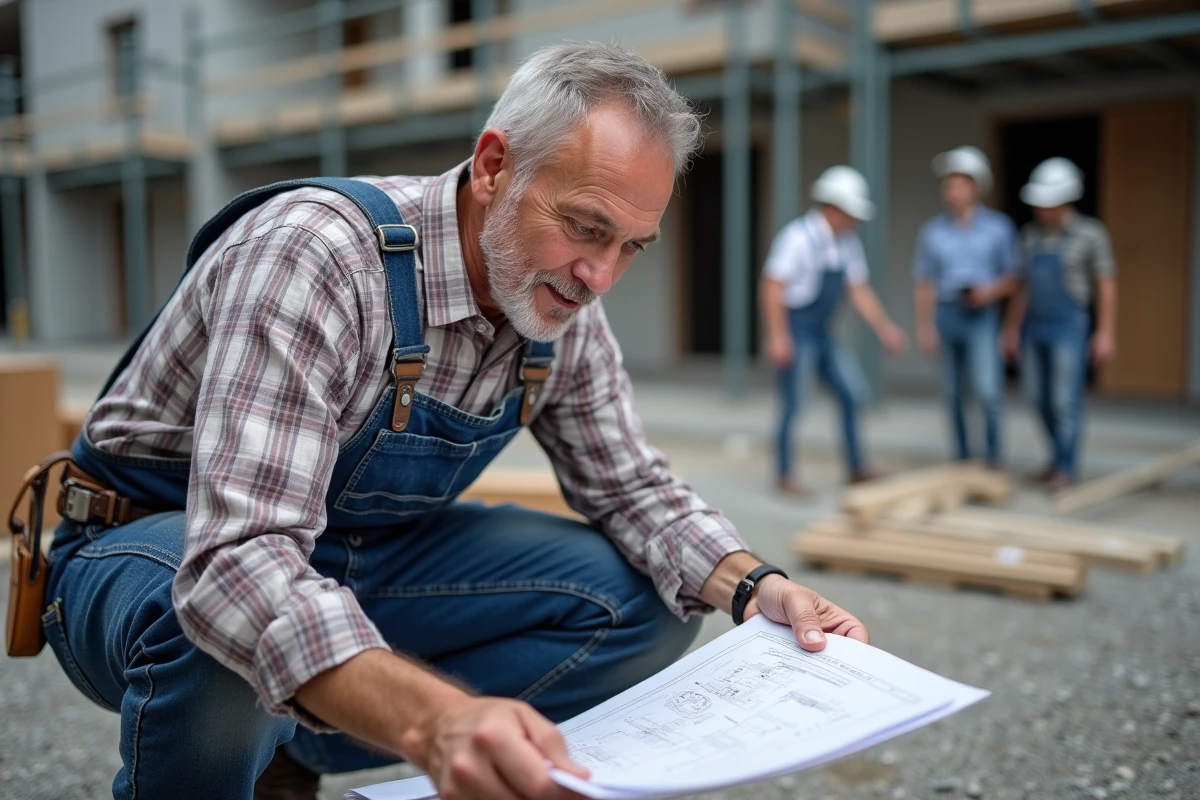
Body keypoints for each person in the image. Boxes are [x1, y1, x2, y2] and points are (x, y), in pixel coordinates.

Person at [27, 43, 867, 800]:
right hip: (148, 549)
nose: (600, 276)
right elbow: (237, 561)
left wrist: (760, 587)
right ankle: (253, 737)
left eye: (631, 247)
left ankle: (293, 743)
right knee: (219, 634)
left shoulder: (559, 304)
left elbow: (633, 487)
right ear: (496, 165)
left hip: (349, 552)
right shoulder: (314, 255)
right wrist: (434, 721)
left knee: (642, 605)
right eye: (585, 227)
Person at [760, 166, 907, 495]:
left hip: (825, 332)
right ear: (833, 207)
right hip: (797, 329)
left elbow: (858, 289)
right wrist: (778, 335)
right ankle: (784, 474)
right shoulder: (797, 237)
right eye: (851, 212)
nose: (854, 220)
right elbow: (772, 286)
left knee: (852, 395)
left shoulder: (847, 243)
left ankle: (857, 466)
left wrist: (884, 328)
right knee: (794, 404)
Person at [1002, 157, 1117, 490]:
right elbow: (1022, 288)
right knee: (1038, 398)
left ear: (1066, 200)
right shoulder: (1030, 236)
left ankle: (1066, 467)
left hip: (1070, 325)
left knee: (1064, 400)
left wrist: (1106, 332)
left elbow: (1106, 283)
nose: (1040, 210)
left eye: (1047, 203)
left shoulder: (1090, 234)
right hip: (1034, 325)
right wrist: (1011, 329)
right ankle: (1055, 458)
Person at [913, 146, 1019, 468]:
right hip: (948, 314)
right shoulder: (932, 231)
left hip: (981, 316)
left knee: (987, 391)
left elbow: (1013, 277)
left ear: (976, 187)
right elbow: (925, 282)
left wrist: (989, 292)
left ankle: (992, 457)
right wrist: (925, 325)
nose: (952, 190)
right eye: (949, 183)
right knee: (952, 394)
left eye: (959, 183)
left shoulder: (999, 229)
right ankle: (961, 457)